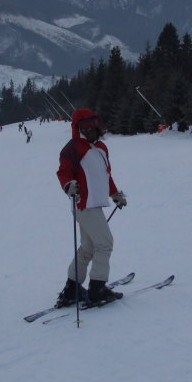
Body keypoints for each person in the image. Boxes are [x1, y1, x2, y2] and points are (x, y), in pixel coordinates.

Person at [56, 108, 127, 306]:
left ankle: (72, 289)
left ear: (97, 124)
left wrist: (115, 194)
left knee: (88, 248)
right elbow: (63, 172)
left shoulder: (101, 148)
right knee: (105, 243)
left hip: (95, 204)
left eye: (91, 125)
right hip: (84, 204)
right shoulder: (72, 148)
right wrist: (68, 185)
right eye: (83, 127)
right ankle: (98, 289)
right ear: (76, 128)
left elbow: (105, 175)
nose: (88, 130)